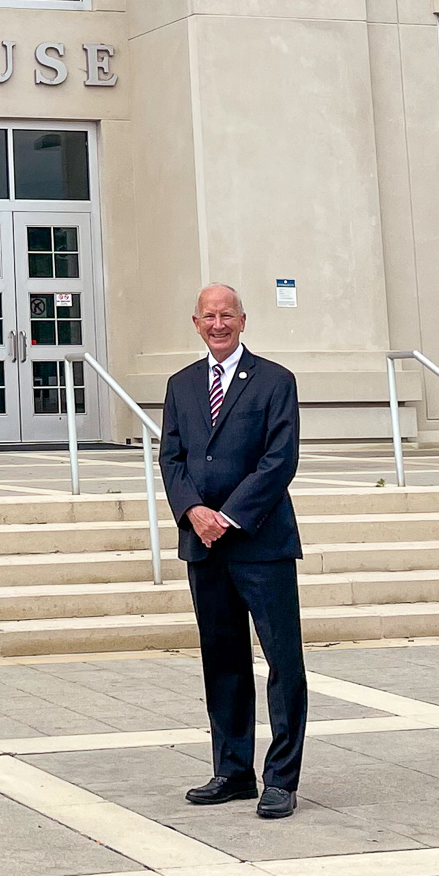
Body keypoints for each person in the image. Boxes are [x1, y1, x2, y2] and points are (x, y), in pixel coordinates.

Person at [158, 283, 307, 818]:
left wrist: (229, 515)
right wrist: (194, 512)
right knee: (222, 660)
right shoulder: (181, 385)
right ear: (195, 323)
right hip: (203, 545)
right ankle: (233, 770)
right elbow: (171, 458)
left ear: (243, 321)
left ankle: (281, 778)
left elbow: (279, 459)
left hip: (260, 542)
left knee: (282, 661)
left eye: (227, 315)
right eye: (208, 316)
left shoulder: (274, 381)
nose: (218, 324)